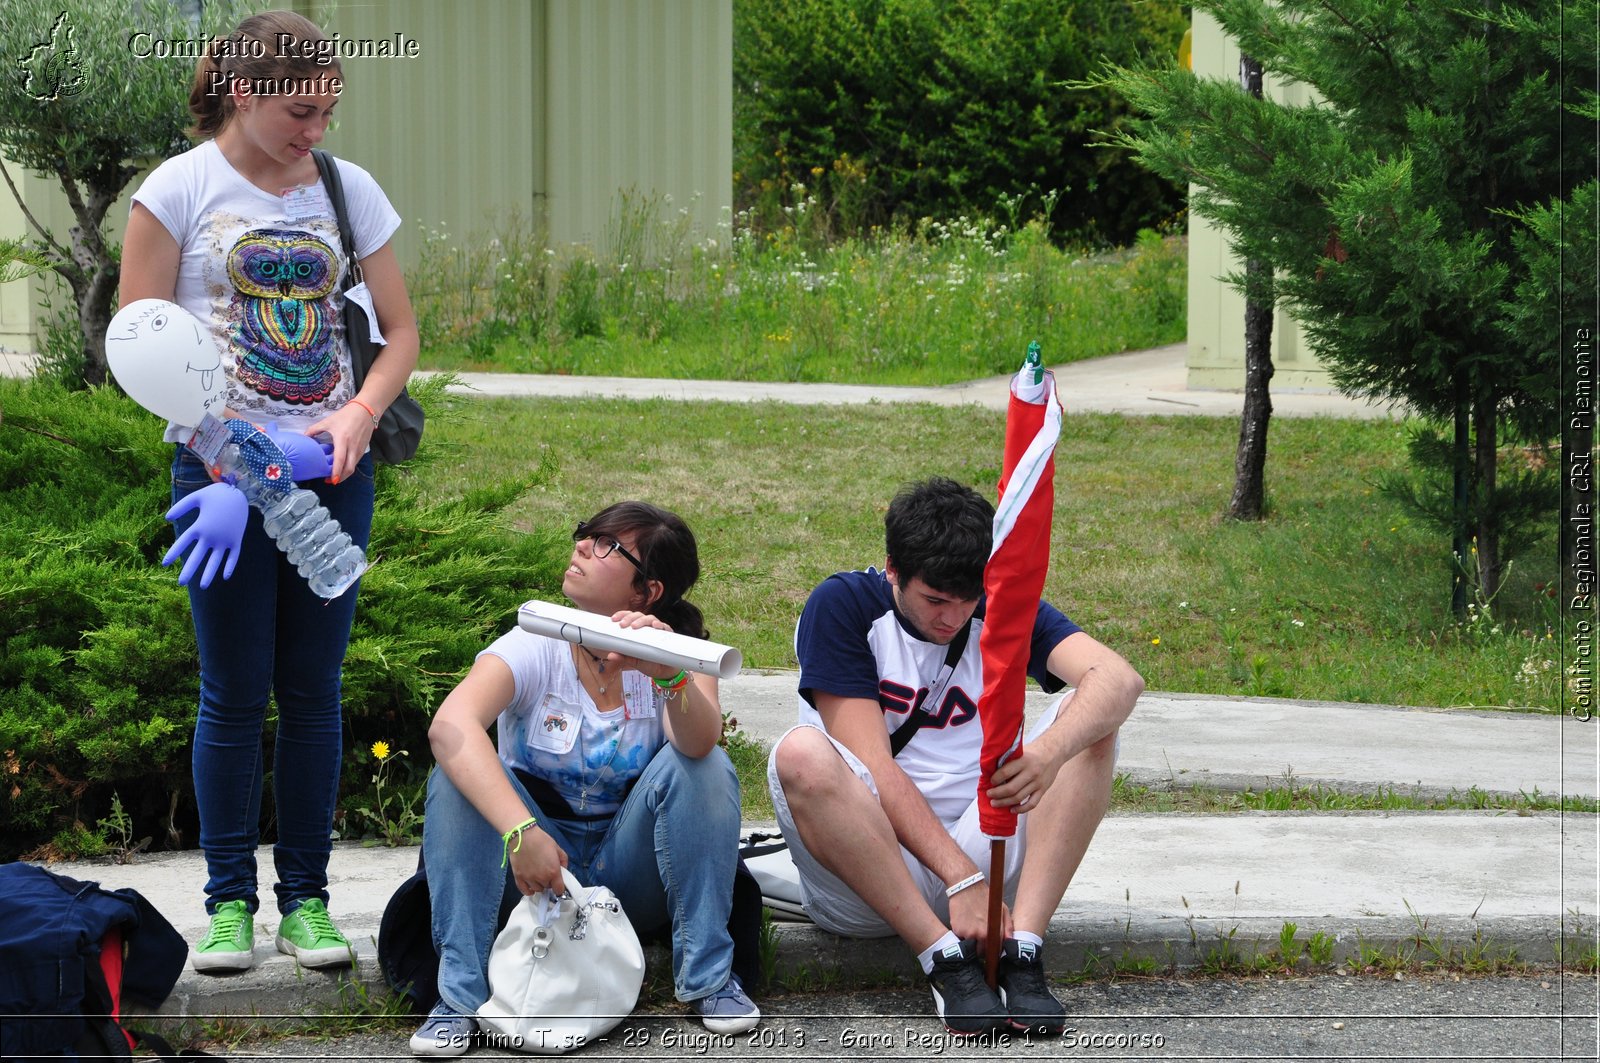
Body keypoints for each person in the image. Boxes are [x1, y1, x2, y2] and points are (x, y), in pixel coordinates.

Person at [118, 11, 419, 973]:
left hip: (331, 473)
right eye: (300, 109)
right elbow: (139, 344)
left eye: (329, 108)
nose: (316, 129)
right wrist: (224, 461)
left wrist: (362, 413)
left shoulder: (348, 188)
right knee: (235, 694)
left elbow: (401, 333)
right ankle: (227, 906)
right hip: (215, 479)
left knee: (315, 694)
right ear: (244, 93)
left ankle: (310, 903)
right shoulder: (178, 190)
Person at [767, 477, 1142, 1036]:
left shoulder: (1002, 606)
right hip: (872, 868)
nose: (952, 618)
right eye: (935, 600)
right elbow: (874, 767)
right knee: (800, 752)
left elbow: (1120, 679)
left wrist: (1047, 754)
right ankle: (941, 959)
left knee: (1090, 726)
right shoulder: (843, 606)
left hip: (984, 856)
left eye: (968, 600)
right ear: (893, 569)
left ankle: (1023, 952)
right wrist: (962, 882)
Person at [411, 502, 759, 1057]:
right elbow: (450, 727)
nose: (581, 547)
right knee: (458, 777)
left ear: (647, 592)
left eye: (605, 545)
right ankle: (460, 1000)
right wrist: (521, 832)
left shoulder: (678, 652)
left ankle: (709, 980)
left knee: (705, 767)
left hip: (630, 875)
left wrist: (666, 672)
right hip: (532, 876)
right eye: (586, 535)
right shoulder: (534, 641)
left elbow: (698, 744)